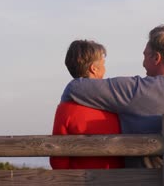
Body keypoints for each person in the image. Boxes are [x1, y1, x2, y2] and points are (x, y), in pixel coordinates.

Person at [61, 25, 164, 168]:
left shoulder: (136, 90)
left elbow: (75, 87)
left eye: (145, 55)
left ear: (156, 58)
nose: (143, 62)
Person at [50, 40, 124, 169]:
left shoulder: (65, 110)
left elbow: (58, 159)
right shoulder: (115, 104)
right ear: (93, 69)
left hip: (78, 179)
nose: (105, 69)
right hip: (117, 178)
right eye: (103, 64)